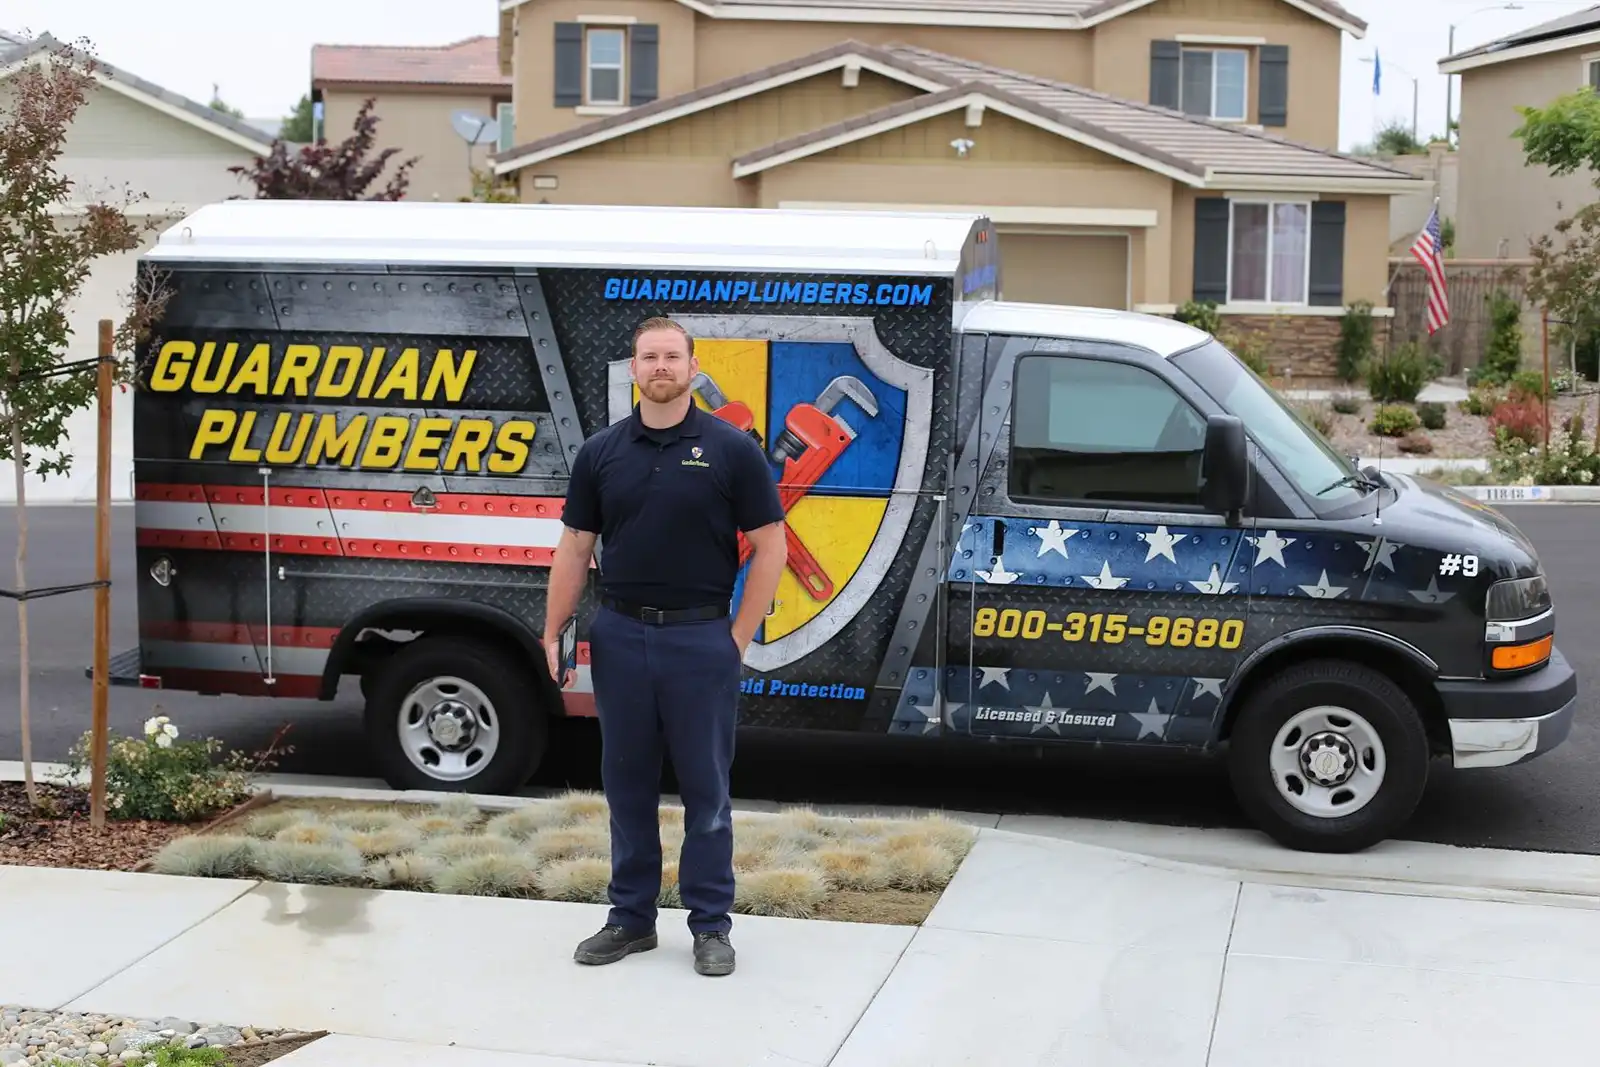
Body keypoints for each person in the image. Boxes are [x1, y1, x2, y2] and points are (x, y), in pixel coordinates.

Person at [543, 315, 786, 977]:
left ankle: (710, 925)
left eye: (671, 357)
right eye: (648, 356)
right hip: (619, 634)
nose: (659, 367)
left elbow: (771, 547)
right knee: (626, 783)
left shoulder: (732, 450)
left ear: (690, 365)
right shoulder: (601, 453)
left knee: (706, 788)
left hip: (700, 636)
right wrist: (553, 628)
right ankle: (630, 919)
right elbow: (574, 547)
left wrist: (735, 636)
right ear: (634, 366)